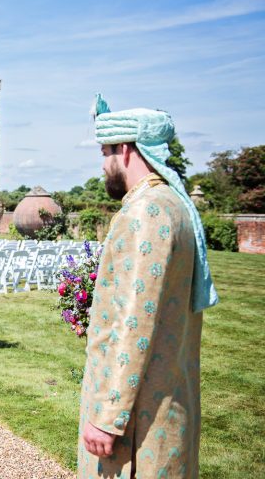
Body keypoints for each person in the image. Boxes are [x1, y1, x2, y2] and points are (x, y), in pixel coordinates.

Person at [78, 95, 218, 478]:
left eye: (105, 153)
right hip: (162, 402)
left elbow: (134, 321)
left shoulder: (147, 211)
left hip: (136, 426)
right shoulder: (173, 203)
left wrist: (107, 417)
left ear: (125, 150)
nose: (104, 165)